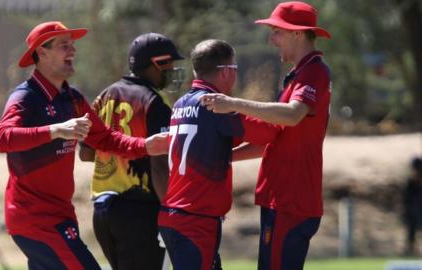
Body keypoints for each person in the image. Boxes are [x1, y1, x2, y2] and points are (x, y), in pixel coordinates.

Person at [0, 21, 167, 270]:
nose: (73, 51)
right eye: (64, 46)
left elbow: (104, 138)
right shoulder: (25, 96)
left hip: (60, 215)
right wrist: (55, 131)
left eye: (72, 45)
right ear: (42, 53)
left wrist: (146, 146)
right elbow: (2, 138)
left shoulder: (73, 98)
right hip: (36, 220)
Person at [200, 2, 332, 269]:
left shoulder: (313, 71)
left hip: (290, 200)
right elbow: (274, 139)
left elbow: (293, 114)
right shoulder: (299, 74)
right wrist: (225, 157)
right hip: (282, 198)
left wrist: (234, 103)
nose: (272, 39)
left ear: (297, 33)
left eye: (277, 31)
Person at [158, 39, 278, 270]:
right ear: (224, 72)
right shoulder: (214, 105)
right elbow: (271, 132)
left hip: (174, 215)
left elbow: (233, 143)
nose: (236, 75)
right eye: (235, 69)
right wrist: (240, 104)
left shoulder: (181, 103)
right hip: (196, 220)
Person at [78, 32, 184, 270]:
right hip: (138, 212)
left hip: (102, 212)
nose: (171, 70)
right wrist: (171, 210)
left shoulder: (104, 95)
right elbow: (158, 163)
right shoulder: (153, 103)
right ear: (156, 64)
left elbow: (85, 153)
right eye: (169, 64)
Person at [402, 157, 422, 256]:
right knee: (411, 233)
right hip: (413, 212)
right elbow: (406, 199)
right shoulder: (411, 183)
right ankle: (410, 252)